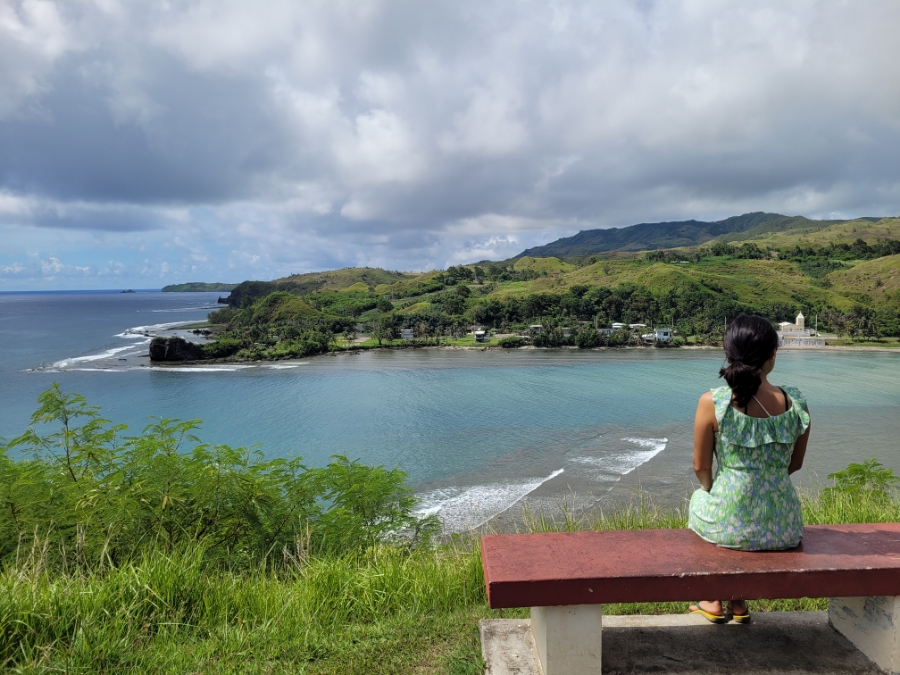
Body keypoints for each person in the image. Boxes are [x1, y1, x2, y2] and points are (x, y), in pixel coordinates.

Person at [687, 314, 811, 624]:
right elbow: (794, 464)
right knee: (743, 515)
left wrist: (710, 490)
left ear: (727, 353)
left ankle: (713, 599)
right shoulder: (795, 402)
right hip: (784, 525)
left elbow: (701, 466)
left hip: (731, 522)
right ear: (772, 355)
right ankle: (738, 602)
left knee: (699, 502)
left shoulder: (713, 402)